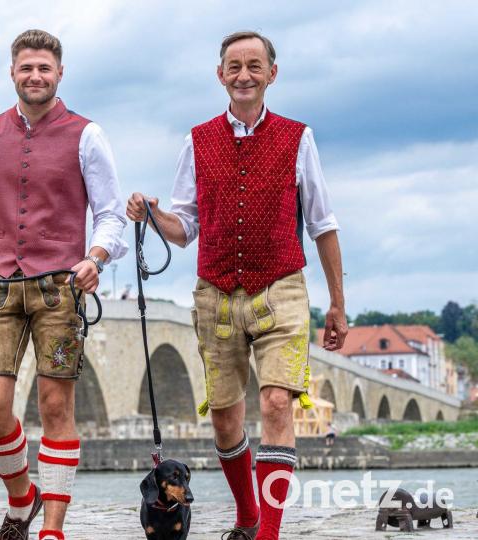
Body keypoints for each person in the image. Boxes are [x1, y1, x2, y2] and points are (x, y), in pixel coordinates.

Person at [127, 31, 347, 540]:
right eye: (234, 66)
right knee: (226, 419)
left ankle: (266, 532)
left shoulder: (298, 137)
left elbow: (323, 224)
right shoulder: (197, 140)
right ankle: (247, 515)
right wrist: (153, 213)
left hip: (282, 289)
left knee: (275, 403)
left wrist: (337, 302)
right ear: (220, 75)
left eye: (254, 65)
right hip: (217, 294)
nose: (243, 75)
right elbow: (184, 229)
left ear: (272, 73)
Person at [0, 29, 127, 540]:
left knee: (55, 406)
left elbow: (110, 214)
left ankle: (52, 531)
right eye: (26, 68)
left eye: (44, 68)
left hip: (60, 287)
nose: (35, 76)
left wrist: (96, 257)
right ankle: (23, 495)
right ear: (12, 72)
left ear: (59, 73)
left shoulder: (87, 135)